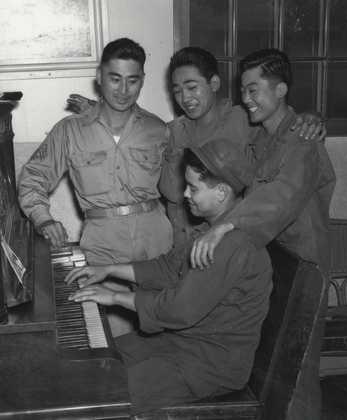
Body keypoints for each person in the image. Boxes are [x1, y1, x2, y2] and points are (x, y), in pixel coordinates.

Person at [66, 137, 273, 414]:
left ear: (222, 192)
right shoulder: (211, 231)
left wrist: (114, 296)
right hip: (182, 343)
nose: (185, 194)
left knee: (106, 393)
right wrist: (109, 269)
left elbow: (179, 309)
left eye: (193, 188)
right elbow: (167, 268)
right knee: (102, 358)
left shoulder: (231, 244)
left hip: (209, 364)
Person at [67, 46, 325, 252]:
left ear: (213, 84)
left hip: (233, 243)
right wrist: (100, 109)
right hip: (181, 245)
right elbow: (137, 129)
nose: (185, 98)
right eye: (177, 90)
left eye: (192, 87)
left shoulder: (243, 119)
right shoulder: (171, 131)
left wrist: (309, 117)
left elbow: (283, 153)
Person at [18, 38, 173, 336]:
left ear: (142, 81)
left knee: (163, 323)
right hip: (103, 243)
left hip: (156, 239)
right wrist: (44, 218)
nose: (123, 90)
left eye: (132, 81)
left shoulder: (158, 129)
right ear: (99, 77)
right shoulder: (70, 130)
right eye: (115, 79)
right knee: (109, 335)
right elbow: (33, 178)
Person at [190, 49, 336, 274]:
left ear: (280, 90)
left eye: (253, 91)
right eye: (242, 91)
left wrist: (226, 226)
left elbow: (282, 194)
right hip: (270, 254)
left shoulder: (303, 140)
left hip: (303, 265)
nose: (246, 99)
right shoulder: (258, 137)